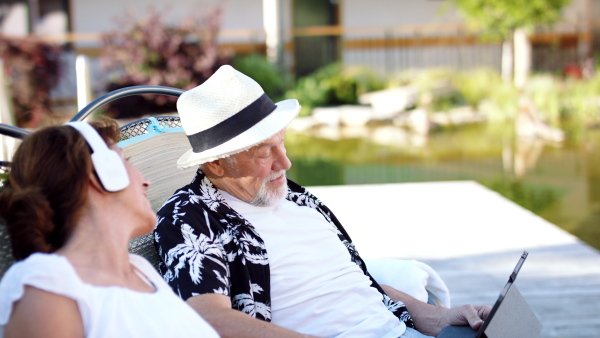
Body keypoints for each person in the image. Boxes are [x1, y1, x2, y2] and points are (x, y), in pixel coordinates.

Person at [155, 65, 491, 338]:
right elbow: (208, 318)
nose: (284, 164)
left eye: (281, 144)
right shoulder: (190, 216)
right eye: (263, 154)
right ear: (216, 164)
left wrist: (443, 318)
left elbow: (356, 279)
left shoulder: (297, 198)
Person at [0, 119, 219, 337]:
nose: (146, 181)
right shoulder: (48, 286)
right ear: (101, 173)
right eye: (126, 161)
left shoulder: (142, 271)